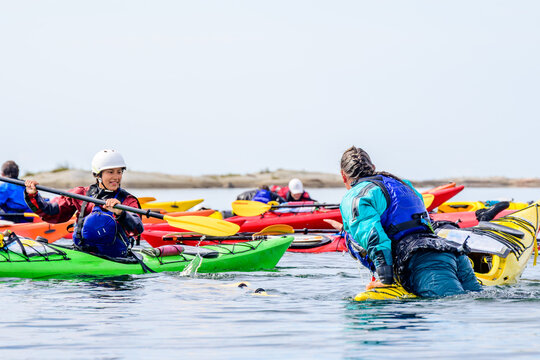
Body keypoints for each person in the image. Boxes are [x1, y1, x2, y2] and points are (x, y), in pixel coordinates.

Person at [338, 146, 482, 297]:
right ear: (373, 168)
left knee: (453, 304)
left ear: (343, 176)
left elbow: (373, 237)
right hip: (452, 254)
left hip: (425, 265)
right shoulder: (403, 184)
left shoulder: (355, 196)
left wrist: (385, 279)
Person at [24, 150, 144, 259]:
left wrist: (121, 213)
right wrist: (32, 196)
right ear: (98, 175)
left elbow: (137, 228)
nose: (116, 177)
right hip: (81, 254)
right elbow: (51, 212)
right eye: (110, 172)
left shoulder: (127, 200)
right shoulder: (81, 194)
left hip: (116, 259)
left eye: (119, 172)